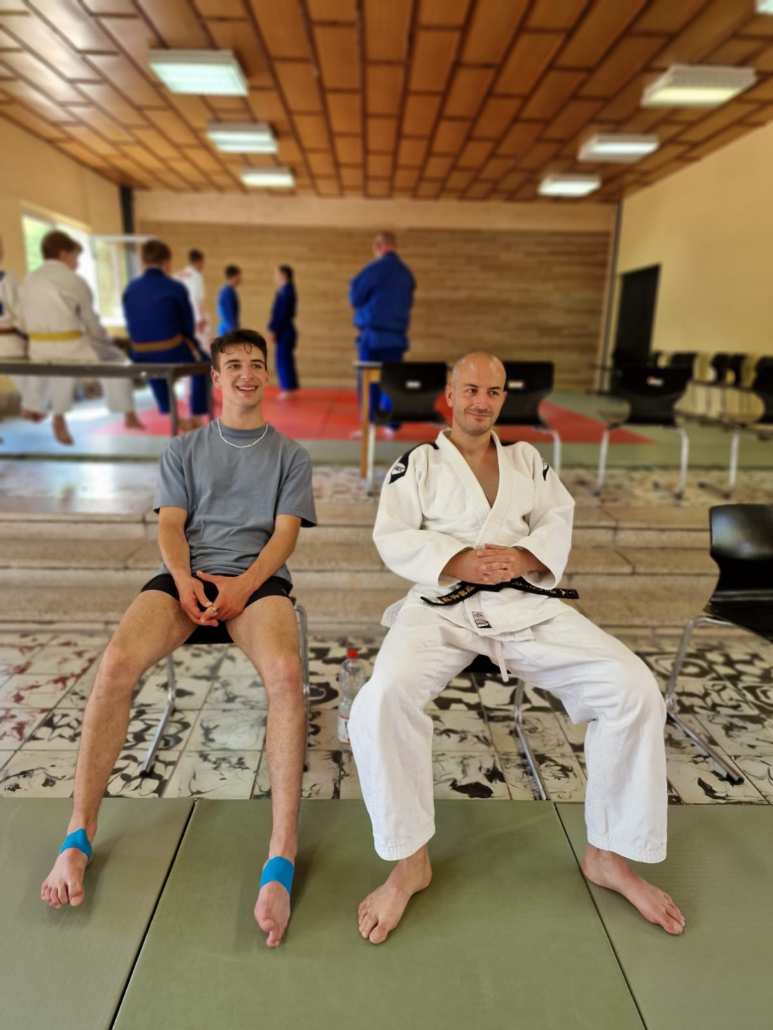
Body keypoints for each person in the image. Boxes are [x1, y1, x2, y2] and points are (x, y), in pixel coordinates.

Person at [349, 351, 685, 945]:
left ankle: (608, 855)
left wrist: (526, 556)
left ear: (505, 398)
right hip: (442, 606)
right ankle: (409, 862)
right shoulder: (417, 463)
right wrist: (457, 561)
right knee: (380, 702)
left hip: (523, 603)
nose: (481, 401)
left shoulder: (528, 459)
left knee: (632, 687)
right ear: (449, 394)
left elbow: (558, 518)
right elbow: (392, 534)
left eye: (494, 391)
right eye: (470, 389)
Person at [40, 328, 317, 948]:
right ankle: (77, 837)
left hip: (256, 582)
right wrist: (187, 580)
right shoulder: (184, 448)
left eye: (256, 364)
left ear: (266, 375)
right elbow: (170, 526)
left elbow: (284, 537)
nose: (247, 373)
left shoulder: (291, 455)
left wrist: (242, 588)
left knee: (285, 675)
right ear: (215, 378)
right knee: (115, 662)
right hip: (184, 577)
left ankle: (280, 855)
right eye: (234, 364)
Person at [19, 230, 144, 446]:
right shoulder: (74, 280)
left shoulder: (29, 279)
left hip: (37, 347)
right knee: (116, 359)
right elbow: (91, 322)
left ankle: (48, 412)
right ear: (63, 254)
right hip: (70, 345)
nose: (76, 264)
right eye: (75, 258)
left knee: (59, 366)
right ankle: (127, 412)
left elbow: (22, 320)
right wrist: (104, 342)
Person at [123, 239, 210, 431]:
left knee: (152, 366)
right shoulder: (175, 287)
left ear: (142, 263)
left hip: (139, 352)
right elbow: (187, 326)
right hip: (171, 348)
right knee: (204, 361)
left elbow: (130, 323)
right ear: (167, 263)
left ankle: (174, 416)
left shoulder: (130, 288)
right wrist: (193, 345)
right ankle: (196, 415)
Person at [349, 230, 415, 420]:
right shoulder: (406, 273)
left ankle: (369, 423)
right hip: (396, 337)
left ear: (378, 246)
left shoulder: (372, 269)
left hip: (373, 337)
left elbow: (355, 299)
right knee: (392, 380)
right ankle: (391, 424)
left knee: (369, 381)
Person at [0, 235, 41, 421]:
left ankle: (32, 406)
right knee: (29, 374)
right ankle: (32, 407)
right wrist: (28, 334)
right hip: (9, 342)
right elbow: (20, 314)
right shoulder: (7, 280)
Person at [268, 264, 299, 400]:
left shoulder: (287, 291)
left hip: (284, 329)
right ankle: (289, 387)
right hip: (284, 328)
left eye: (277, 273)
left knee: (283, 359)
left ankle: (287, 388)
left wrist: (274, 329)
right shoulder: (283, 290)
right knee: (285, 358)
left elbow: (282, 314)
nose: (275, 276)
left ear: (284, 274)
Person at [175, 247, 212, 353]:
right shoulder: (197, 277)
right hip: (193, 318)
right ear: (199, 261)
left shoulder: (176, 275)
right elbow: (196, 298)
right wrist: (200, 319)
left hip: (177, 319)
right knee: (202, 349)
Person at [218, 264, 242, 336]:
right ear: (232, 276)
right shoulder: (227, 292)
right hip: (228, 328)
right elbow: (228, 312)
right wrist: (233, 329)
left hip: (228, 327)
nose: (240, 279)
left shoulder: (230, 291)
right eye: (238, 276)